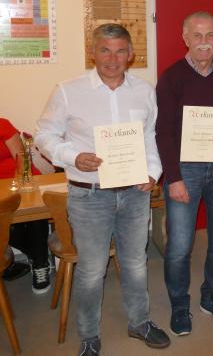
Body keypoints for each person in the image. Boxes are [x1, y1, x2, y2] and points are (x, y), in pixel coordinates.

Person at [35, 24, 170, 355]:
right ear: (92, 52)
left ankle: (139, 321)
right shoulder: (69, 90)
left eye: (120, 50)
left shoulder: (144, 90)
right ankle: (89, 335)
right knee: (93, 270)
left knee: (136, 263)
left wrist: (153, 172)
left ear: (131, 54)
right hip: (89, 195)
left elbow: (149, 135)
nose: (113, 58)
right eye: (105, 50)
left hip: (134, 192)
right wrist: (72, 156)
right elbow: (44, 135)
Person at [156, 11, 213, 335]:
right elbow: (163, 132)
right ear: (185, 38)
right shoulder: (171, 78)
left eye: (210, 35)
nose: (204, 42)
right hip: (185, 170)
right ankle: (180, 304)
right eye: (197, 35)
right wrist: (174, 177)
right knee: (180, 245)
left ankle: (211, 295)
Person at [1, 118, 51, 293]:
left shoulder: (2, 125)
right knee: (7, 223)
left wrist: (22, 185)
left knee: (36, 213)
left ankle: (40, 265)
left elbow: (20, 157)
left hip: (21, 179)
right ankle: (38, 254)